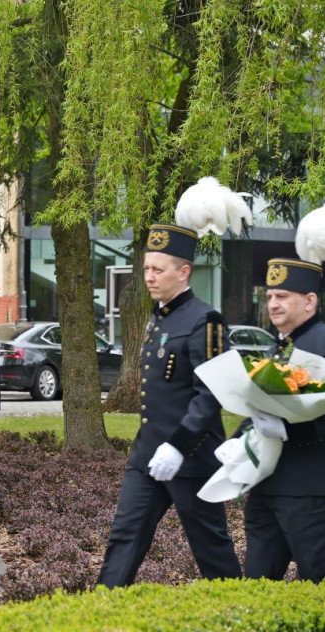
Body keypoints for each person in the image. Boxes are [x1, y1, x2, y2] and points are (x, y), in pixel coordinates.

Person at [97, 223, 241, 587]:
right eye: (146, 268)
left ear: (184, 271)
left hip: (189, 457)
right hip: (148, 454)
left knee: (211, 548)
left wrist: (178, 447)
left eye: (158, 269)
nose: (149, 276)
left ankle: (241, 614)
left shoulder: (205, 320)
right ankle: (100, 610)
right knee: (124, 537)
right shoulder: (157, 318)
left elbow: (209, 393)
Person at [242, 256, 325, 583]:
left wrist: (286, 428)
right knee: (258, 583)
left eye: (282, 296)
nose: (273, 303)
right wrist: (238, 442)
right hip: (269, 484)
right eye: (270, 296)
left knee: (318, 580)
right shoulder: (276, 349)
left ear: (309, 301)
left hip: (312, 484)